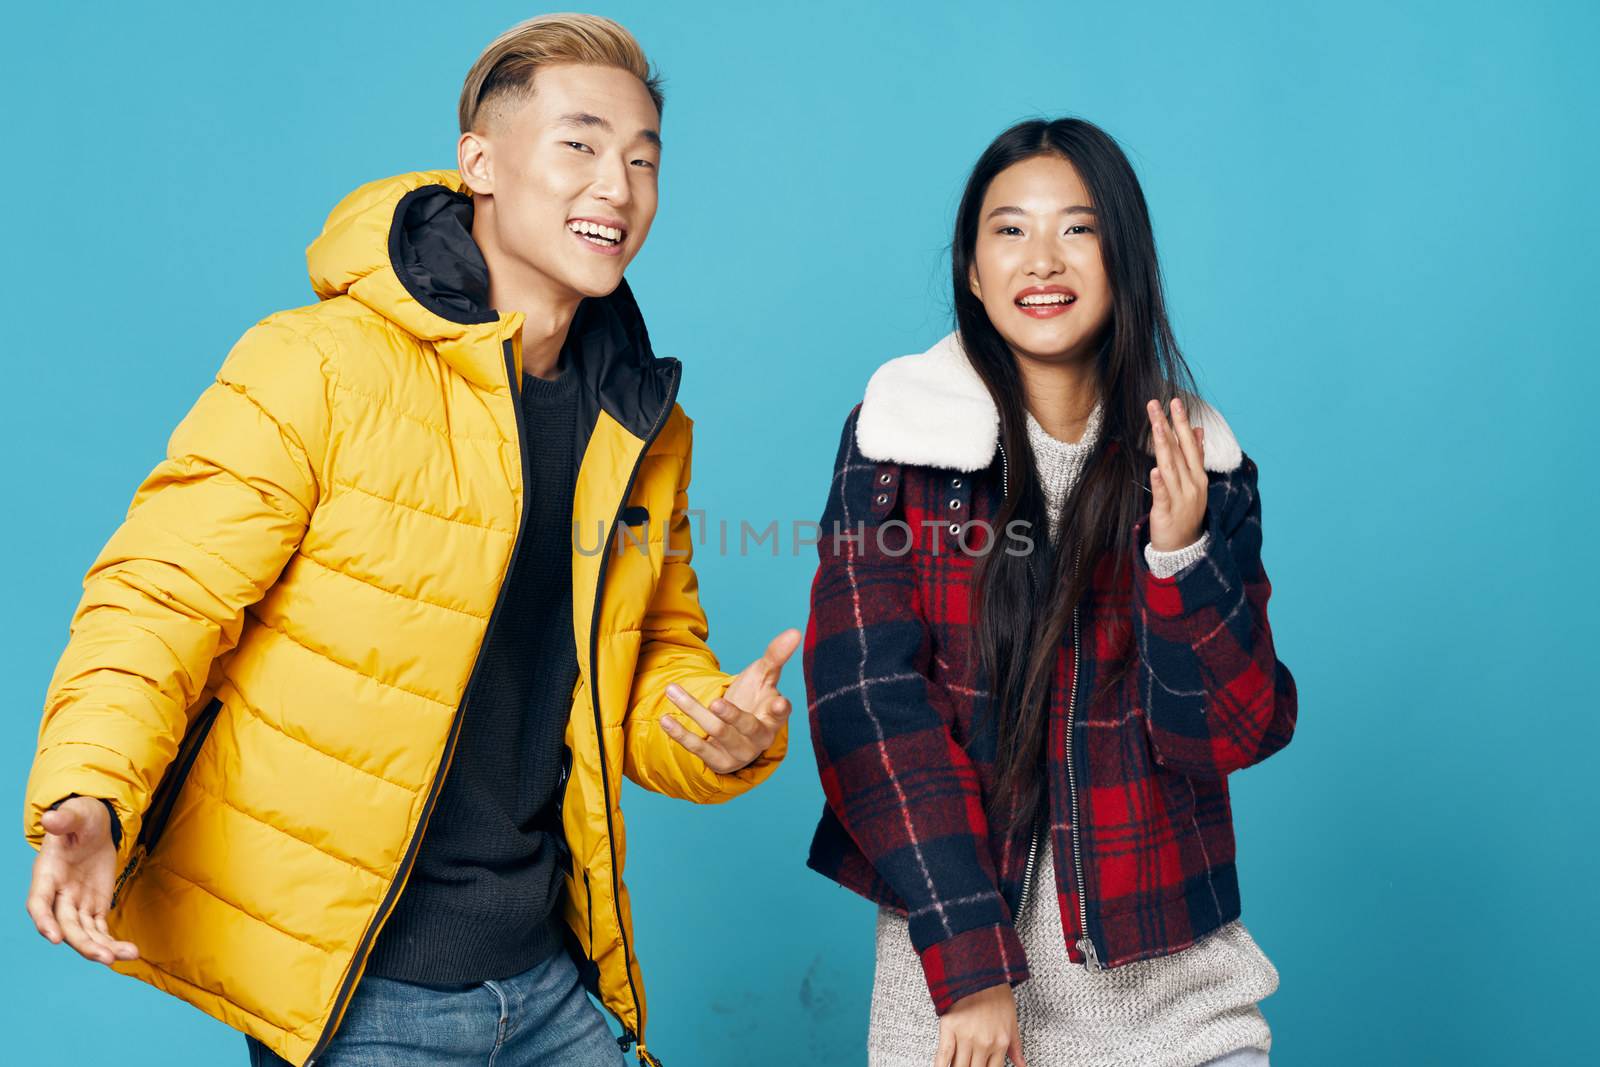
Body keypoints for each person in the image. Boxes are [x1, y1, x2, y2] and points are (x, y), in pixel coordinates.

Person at [22, 14, 798, 1067]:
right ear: (478, 161)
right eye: (577, 143)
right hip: (361, 994)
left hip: (550, 974)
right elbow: (159, 596)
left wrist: (719, 730)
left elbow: (644, 660)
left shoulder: (640, 425)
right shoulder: (320, 365)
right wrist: (90, 784)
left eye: (642, 159)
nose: (615, 184)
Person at [804, 117, 1298, 1067]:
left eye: (1078, 228)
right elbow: (868, 706)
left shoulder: (1204, 466)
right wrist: (971, 963)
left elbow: (1225, 734)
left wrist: (1182, 555)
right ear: (972, 264)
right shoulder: (900, 443)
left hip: (1177, 1003)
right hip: (965, 1006)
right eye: (1010, 229)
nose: (1044, 260)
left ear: (1125, 256)